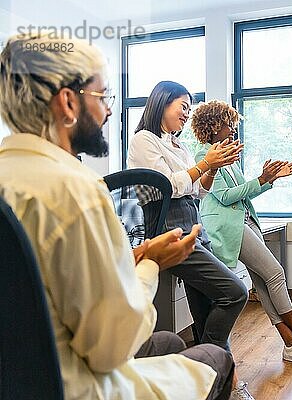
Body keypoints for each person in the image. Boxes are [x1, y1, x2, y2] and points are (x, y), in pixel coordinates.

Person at [0, 33, 235, 400]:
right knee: (215, 357)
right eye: (104, 96)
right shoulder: (76, 189)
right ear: (67, 102)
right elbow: (113, 345)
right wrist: (151, 263)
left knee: (171, 341)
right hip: (80, 386)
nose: (110, 110)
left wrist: (135, 255)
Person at [126, 81, 254, 400]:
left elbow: (199, 190)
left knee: (206, 309)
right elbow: (164, 187)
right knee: (235, 292)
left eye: (188, 107)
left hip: (195, 225)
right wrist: (204, 165)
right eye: (181, 106)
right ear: (161, 103)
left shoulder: (180, 147)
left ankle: (215, 379)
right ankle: (211, 365)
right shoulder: (144, 140)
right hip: (171, 232)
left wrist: (211, 167)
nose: (186, 113)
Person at [191, 100, 292, 367]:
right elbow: (223, 196)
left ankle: (291, 344)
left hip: (246, 221)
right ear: (212, 126)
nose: (233, 128)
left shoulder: (228, 155)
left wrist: (270, 179)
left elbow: (243, 191)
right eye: (228, 123)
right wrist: (261, 178)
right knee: (275, 273)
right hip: (229, 226)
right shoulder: (205, 155)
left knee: (262, 281)